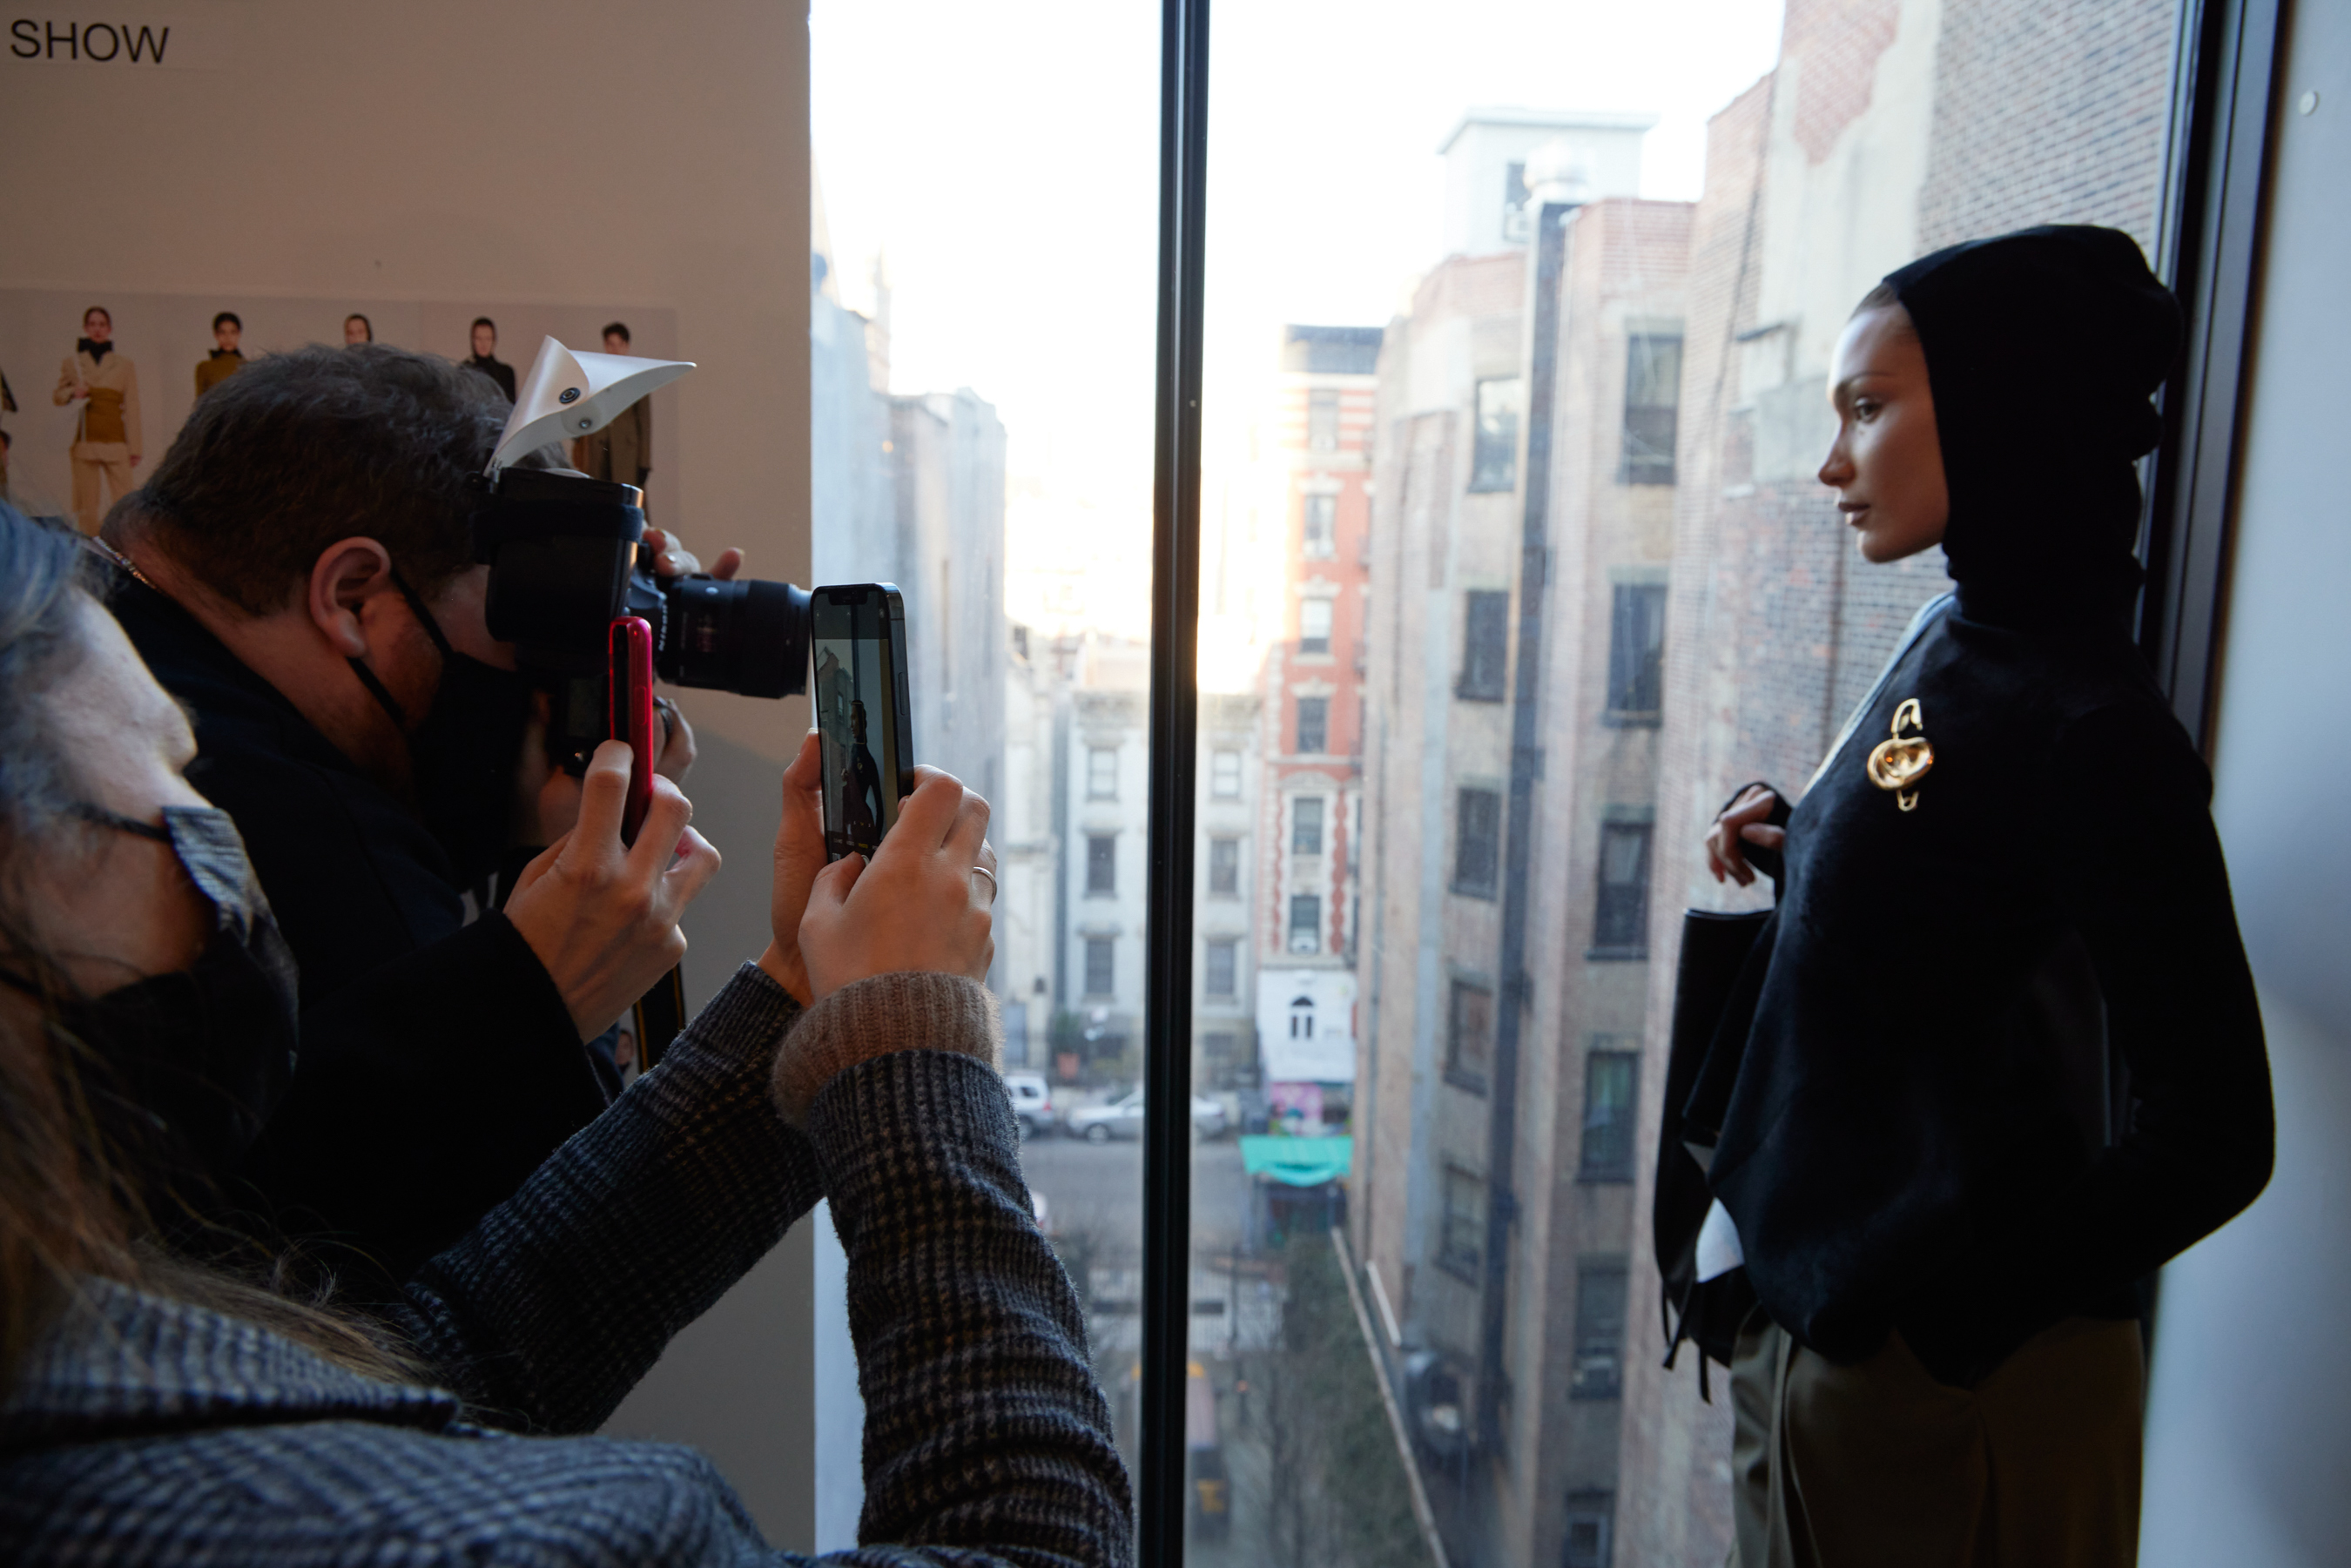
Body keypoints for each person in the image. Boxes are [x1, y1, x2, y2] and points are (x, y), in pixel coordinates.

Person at [0, 503, 1128, 1563]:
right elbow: (1028, 1541)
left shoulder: (65, 1350)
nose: (215, 816)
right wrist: (908, 1038)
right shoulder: (506, 1535)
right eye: (169, 770)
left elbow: (432, 1359)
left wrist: (802, 997)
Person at [1694, 226, 2274, 1567]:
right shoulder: (1954, 629)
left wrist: (1951, 1320)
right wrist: (1809, 844)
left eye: (1870, 408)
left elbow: (2221, 1129)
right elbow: (1964, 880)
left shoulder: (2097, 733)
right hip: (1822, 1333)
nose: (1832, 464)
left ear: (2002, 410)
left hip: (1947, 1397)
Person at [100, 343, 733, 1282]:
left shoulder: (79, 629)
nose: (527, 676)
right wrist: (552, 965)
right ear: (351, 596)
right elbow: (502, 1278)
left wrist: (495, 815)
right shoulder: (306, 824)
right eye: (512, 628)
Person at [51, 306, 140, 536]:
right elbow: (57, 396)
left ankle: (124, 547)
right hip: (85, 437)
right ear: (85, 328)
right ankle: (87, 549)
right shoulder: (73, 363)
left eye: (102, 325)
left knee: (125, 499)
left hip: (115, 437)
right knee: (85, 504)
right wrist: (73, 392)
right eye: (92, 324)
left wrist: (135, 447)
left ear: (109, 329)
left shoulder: (124, 364)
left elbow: (132, 406)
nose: (97, 329)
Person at [571, 320, 653, 491]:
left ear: (626, 346)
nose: (614, 350)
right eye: (610, 344)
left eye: (619, 344)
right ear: (605, 345)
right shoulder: (596, 375)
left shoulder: (638, 378)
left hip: (627, 450)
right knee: (598, 496)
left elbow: (644, 421)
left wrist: (644, 461)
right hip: (599, 447)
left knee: (625, 497)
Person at [463, 315, 516, 400]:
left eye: (488, 339)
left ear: (494, 340)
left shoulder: (506, 373)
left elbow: (511, 407)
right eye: (479, 338)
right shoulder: (463, 371)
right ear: (473, 340)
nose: (483, 344)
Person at [194, 311, 246, 397]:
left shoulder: (250, 367)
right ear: (216, 335)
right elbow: (199, 405)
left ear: (239, 334)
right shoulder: (204, 368)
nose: (227, 337)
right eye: (222, 332)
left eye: (233, 332)